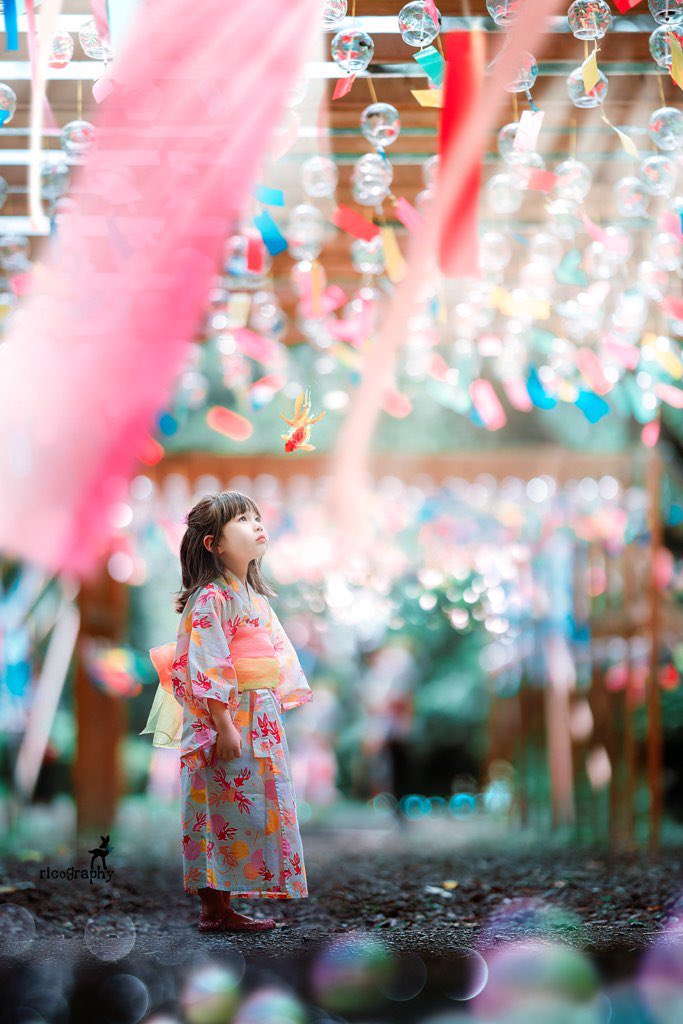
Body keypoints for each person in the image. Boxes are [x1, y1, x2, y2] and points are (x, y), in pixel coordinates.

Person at [140, 490, 313, 932]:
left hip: (257, 710)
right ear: (213, 543)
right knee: (219, 802)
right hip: (230, 715)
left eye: (257, 517)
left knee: (249, 806)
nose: (257, 524)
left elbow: (273, 656)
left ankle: (223, 907)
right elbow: (208, 658)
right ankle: (214, 907)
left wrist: (273, 703)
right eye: (242, 519)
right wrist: (221, 722)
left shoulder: (253, 597)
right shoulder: (211, 598)